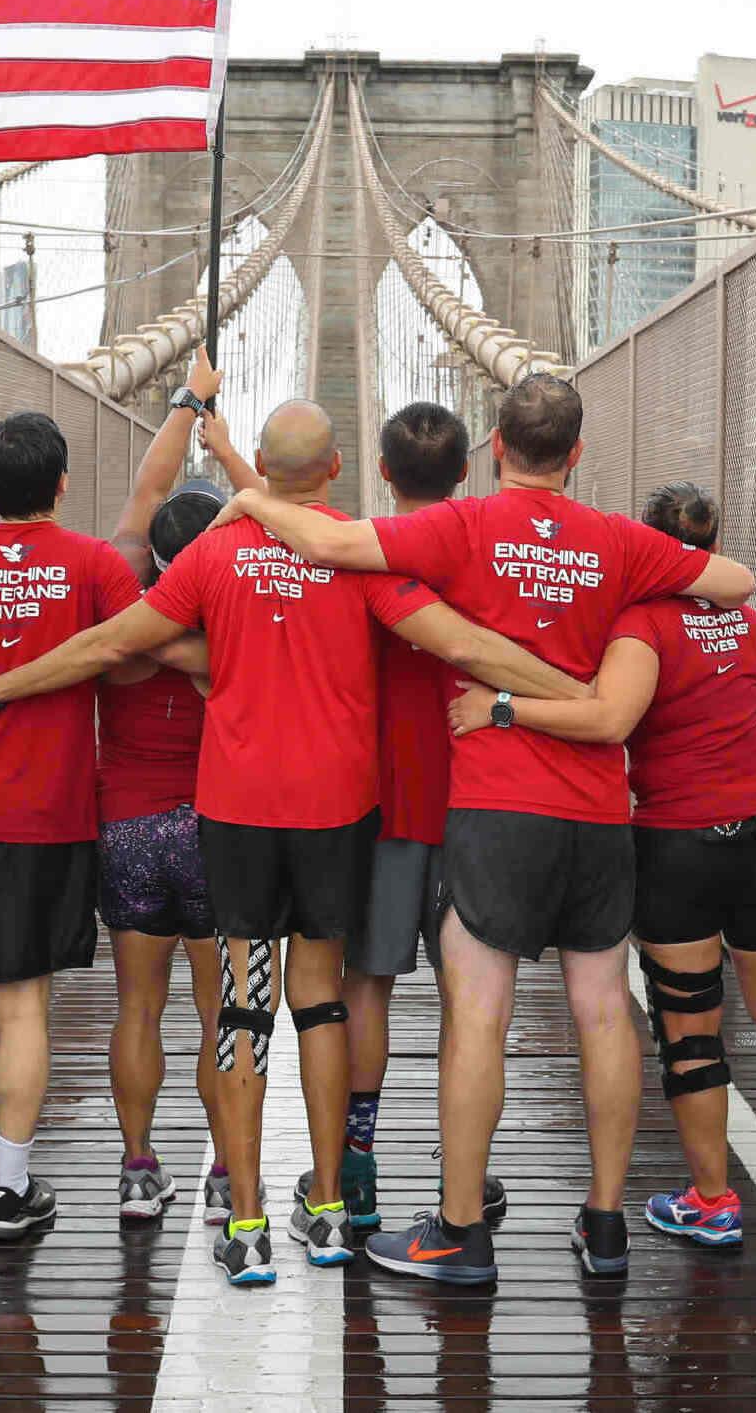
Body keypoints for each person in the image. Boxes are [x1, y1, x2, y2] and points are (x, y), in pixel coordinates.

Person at [0, 398, 590, 1286]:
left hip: (238, 815)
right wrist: (575, 696)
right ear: (336, 469)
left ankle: (244, 1224)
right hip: (335, 813)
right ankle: (326, 1209)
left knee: (244, 1008)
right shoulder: (356, 554)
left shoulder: (212, 555)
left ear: (258, 459)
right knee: (319, 1001)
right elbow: (464, 642)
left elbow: (107, 642)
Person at [210, 374, 756, 1286]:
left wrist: (245, 487)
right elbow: (734, 582)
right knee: (603, 1009)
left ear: (494, 448)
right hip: (589, 806)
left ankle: (432, 1211)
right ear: (575, 453)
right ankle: (604, 1222)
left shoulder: (449, 533)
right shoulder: (617, 542)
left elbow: (327, 541)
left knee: (445, 1007)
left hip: (468, 805)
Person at [449, 481, 756, 1245]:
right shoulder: (751, 625)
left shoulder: (639, 625)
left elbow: (610, 719)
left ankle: (713, 1200)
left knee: (691, 1029)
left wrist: (501, 706)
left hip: (679, 844)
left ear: (648, 546)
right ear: (714, 542)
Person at [0, 410, 191, 1243]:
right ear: (59, 483)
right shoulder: (91, 563)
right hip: (49, 810)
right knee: (22, 1006)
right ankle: (9, 1192)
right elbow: (136, 652)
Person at [295, 402, 506, 1234]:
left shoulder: (356, 559)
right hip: (476, 798)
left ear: (380, 472)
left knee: (366, 984)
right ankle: (466, 1172)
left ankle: (357, 1163)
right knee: (471, 998)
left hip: (379, 802)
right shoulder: (490, 558)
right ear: (466, 472)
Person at [96, 346, 263, 1224]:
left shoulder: (123, 599)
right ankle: (225, 1173)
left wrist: (185, 401)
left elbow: (143, 491)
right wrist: (232, 456)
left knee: (138, 1006)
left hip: (126, 828)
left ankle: (136, 1166)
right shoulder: (241, 614)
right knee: (219, 1011)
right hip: (214, 829)